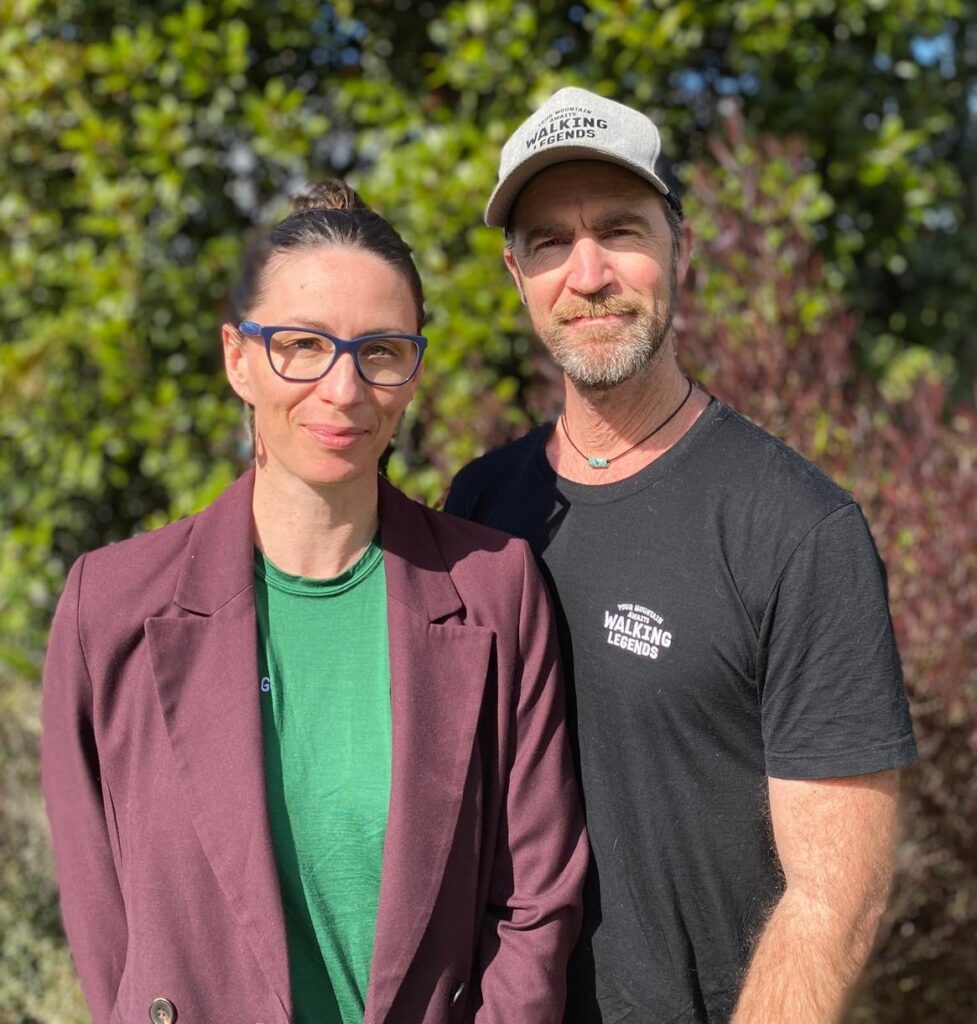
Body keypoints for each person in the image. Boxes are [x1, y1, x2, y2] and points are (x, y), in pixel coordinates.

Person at [42, 180, 587, 1024]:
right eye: (302, 344)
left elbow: (534, 903)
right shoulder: (108, 607)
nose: (343, 390)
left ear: (412, 370)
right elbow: (105, 924)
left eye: (379, 351)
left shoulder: (494, 591)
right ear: (238, 358)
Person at [445, 87, 917, 1024]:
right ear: (516, 273)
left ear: (681, 249)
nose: (587, 275)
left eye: (620, 229)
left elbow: (836, 900)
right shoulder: (479, 507)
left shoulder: (794, 528)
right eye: (548, 242)